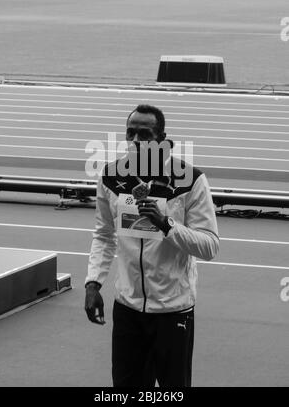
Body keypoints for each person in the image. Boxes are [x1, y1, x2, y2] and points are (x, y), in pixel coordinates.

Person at [84, 104, 219, 387]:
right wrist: (93, 283)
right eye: (130, 133)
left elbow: (209, 246)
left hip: (173, 312)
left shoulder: (190, 180)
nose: (134, 141)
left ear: (162, 139)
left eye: (144, 134)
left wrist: (166, 224)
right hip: (127, 309)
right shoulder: (110, 177)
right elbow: (103, 235)